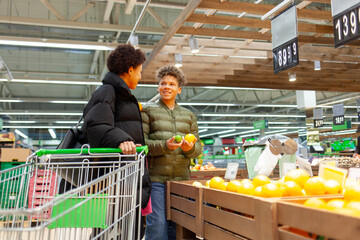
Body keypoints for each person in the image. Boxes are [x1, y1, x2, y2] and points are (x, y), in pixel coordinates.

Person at [81, 44, 151, 238]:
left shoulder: (122, 95)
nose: (140, 76)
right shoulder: (107, 92)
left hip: (124, 179)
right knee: (111, 231)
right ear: (130, 70)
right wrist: (123, 140)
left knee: (130, 231)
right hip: (114, 180)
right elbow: (95, 127)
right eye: (139, 71)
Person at [142, 65, 202, 240]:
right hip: (156, 180)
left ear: (179, 89)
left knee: (179, 226)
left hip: (182, 181)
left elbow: (197, 149)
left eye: (171, 84)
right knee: (158, 225)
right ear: (158, 87)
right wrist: (164, 145)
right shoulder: (148, 111)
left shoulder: (189, 116)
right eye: (163, 83)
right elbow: (142, 144)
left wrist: (189, 149)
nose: (167, 87)